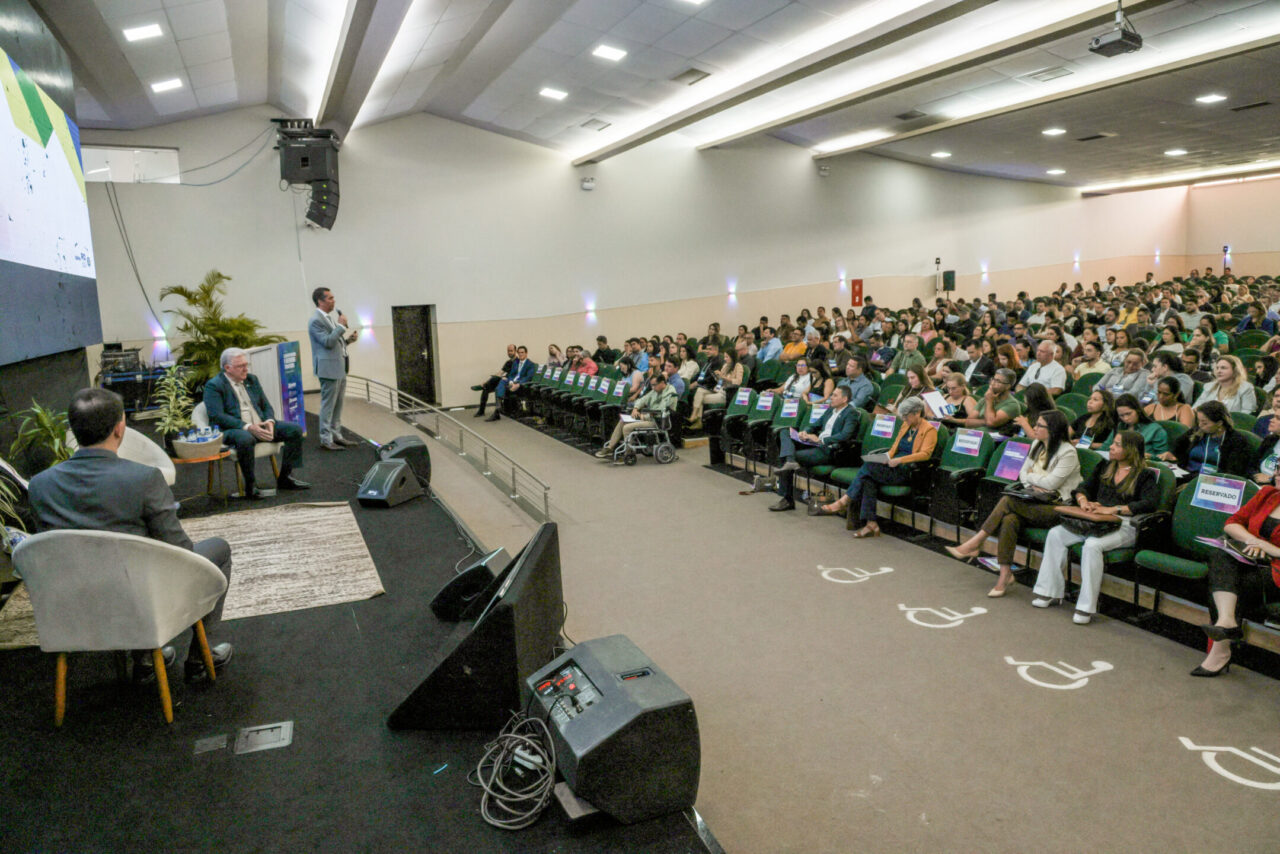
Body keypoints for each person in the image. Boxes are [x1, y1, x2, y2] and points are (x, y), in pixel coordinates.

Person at [27, 388, 234, 683]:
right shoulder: (144, 478)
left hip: (75, 602)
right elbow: (181, 552)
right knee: (217, 550)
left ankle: (147, 658)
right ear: (120, 428)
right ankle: (199, 659)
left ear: (73, 429)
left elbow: (48, 550)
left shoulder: (39, 485)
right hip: (141, 600)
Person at [945, 410, 1080, 596]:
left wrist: (1033, 478)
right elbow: (1022, 474)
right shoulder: (1036, 444)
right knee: (1009, 519)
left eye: (1040, 425)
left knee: (1008, 500)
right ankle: (1004, 575)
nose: (1034, 428)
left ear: (1054, 429)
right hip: (1033, 500)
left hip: (1057, 507)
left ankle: (975, 542)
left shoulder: (1068, 452)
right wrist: (1035, 480)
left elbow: (1052, 484)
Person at [1032, 430, 1159, 623]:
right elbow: (1083, 488)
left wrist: (1114, 509)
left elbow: (1149, 504)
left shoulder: (1145, 475)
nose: (1111, 447)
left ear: (1130, 450)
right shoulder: (1105, 466)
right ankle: (1049, 592)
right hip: (1095, 520)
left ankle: (1085, 607)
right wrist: (1084, 501)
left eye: (1117, 445)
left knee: (1092, 545)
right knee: (1056, 534)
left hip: (1126, 525)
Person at [1190, 485, 1280, 676]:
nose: (1277, 474)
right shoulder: (1268, 494)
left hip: (1276, 570)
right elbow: (1232, 523)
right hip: (1252, 559)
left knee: (1229, 583)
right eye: (1278, 468)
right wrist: (1251, 540)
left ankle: (1220, 650)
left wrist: (1270, 548)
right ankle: (1226, 621)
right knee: (1219, 555)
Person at [817, 398, 936, 538]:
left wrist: (900, 460)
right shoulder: (905, 425)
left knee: (867, 469)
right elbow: (894, 448)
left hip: (908, 470)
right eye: (902, 416)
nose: (904, 419)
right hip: (893, 465)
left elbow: (925, 455)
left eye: (906, 416)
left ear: (917, 413)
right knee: (868, 480)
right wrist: (886, 457)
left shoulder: (929, 430)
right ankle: (871, 524)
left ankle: (844, 501)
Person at [205, 348, 309, 496]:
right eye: (241, 366)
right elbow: (217, 416)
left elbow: (266, 405)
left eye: (246, 365)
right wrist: (248, 427)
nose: (245, 369)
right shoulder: (214, 385)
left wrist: (270, 422)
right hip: (233, 429)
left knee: (295, 430)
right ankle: (250, 486)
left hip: (260, 424)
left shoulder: (251, 379)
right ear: (227, 368)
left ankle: (285, 478)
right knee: (245, 438)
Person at [771, 386, 858, 511]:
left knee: (788, 456)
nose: (831, 397)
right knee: (785, 431)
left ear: (844, 399)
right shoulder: (830, 410)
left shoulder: (851, 413)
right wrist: (804, 432)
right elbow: (814, 425)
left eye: (835, 395)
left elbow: (846, 435)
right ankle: (790, 461)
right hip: (816, 444)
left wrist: (821, 440)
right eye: (832, 394)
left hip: (830, 450)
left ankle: (787, 499)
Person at [308, 286, 358, 448]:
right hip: (328, 369)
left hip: (339, 367)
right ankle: (326, 439)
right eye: (330, 298)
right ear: (320, 301)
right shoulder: (315, 320)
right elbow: (328, 342)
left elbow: (336, 342)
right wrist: (342, 327)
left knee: (338, 405)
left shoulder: (328, 318)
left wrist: (348, 340)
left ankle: (337, 435)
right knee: (328, 406)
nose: (333, 300)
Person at [594, 373, 678, 462]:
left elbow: (660, 411)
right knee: (623, 420)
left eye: (654, 385)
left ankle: (628, 453)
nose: (653, 387)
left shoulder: (670, 393)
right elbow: (642, 400)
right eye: (651, 385)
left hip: (658, 421)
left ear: (662, 382)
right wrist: (636, 408)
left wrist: (644, 416)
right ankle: (610, 447)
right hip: (649, 417)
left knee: (627, 428)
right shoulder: (655, 391)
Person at [1159, 400, 1251, 478]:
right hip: (1186, 475)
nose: (1200, 425)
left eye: (1205, 423)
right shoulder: (1198, 431)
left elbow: (1232, 473)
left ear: (1219, 423)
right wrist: (1171, 454)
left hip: (1213, 483)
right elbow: (1177, 447)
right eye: (1199, 421)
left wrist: (1195, 484)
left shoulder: (1236, 441)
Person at [689, 350, 742, 429]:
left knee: (700, 399)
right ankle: (695, 416)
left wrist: (723, 377)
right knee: (700, 390)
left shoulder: (738, 366)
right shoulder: (725, 366)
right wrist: (717, 377)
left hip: (727, 393)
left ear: (732, 357)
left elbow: (738, 382)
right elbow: (720, 381)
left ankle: (697, 419)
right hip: (719, 389)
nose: (725, 359)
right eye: (724, 357)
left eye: (727, 357)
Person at [489, 345, 536, 421]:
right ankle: (498, 408)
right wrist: (510, 380)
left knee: (504, 386)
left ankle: (497, 410)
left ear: (526, 353)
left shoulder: (530, 364)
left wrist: (518, 384)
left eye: (522, 352)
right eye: (519, 352)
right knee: (502, 381)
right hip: (512, 381)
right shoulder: (516, 363)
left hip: (520, 384)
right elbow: (511, 374)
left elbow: (528, 377)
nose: (520, 354)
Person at [472, 344, 516, 420]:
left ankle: (496, 413)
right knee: (487, 387)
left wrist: (506, 378)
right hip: (504, 380)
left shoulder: (518, 362)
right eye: (508, 351)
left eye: (511, 351)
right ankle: (481, 411)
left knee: (496, 382)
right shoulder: (508, 362)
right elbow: (500, 372)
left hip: (510, 381)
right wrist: (487, 381)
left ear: (515, 351)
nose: (509, 352)